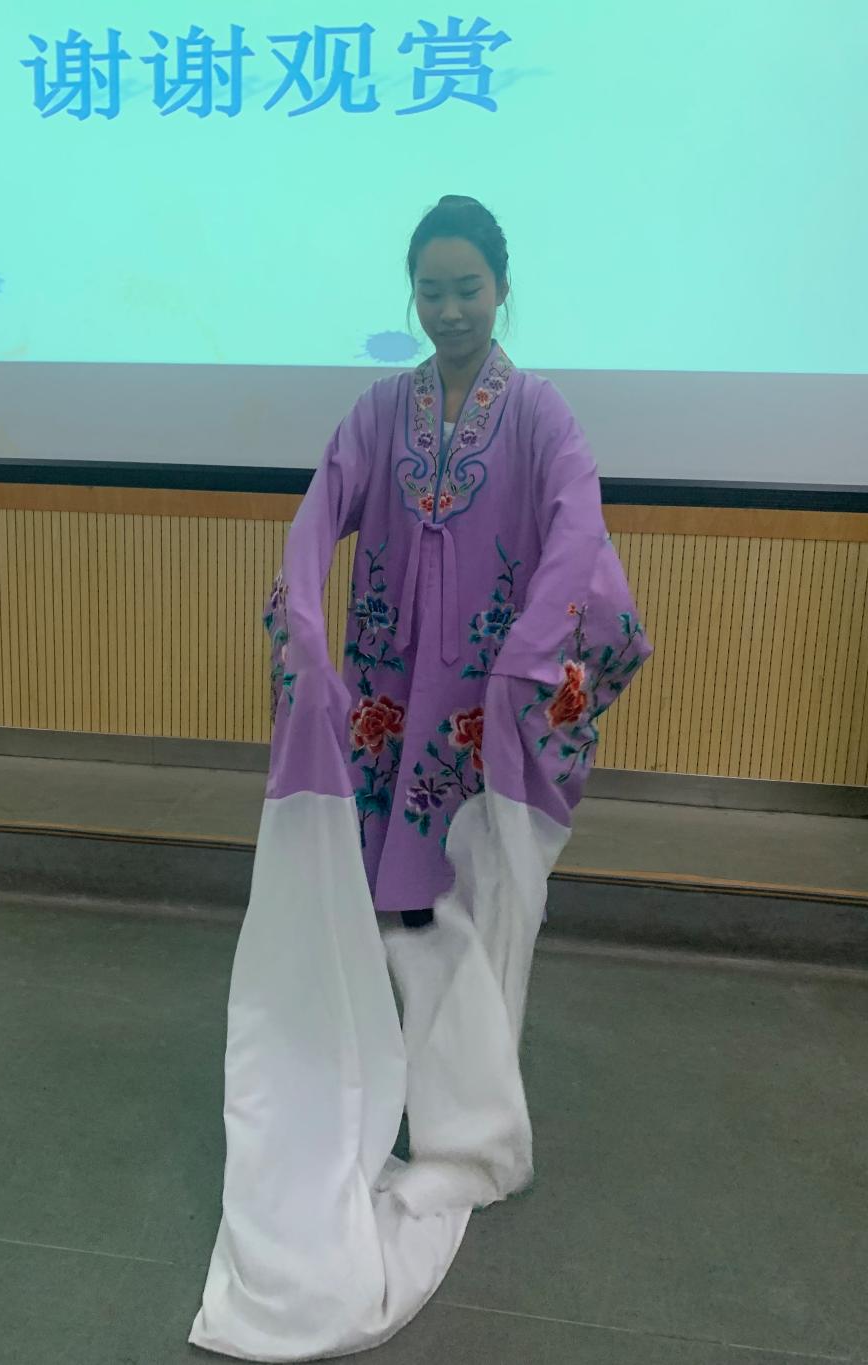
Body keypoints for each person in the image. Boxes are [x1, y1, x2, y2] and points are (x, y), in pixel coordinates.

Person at [190, 197, 652, 1362]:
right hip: (395, 686)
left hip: (488, 695)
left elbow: (577, 528)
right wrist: (305, 628)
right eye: (432, 290)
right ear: (414, 293)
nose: (450, 309)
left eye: (468, 288)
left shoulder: (538, 414)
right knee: (397, 900)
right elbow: (319, 517)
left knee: (479, 900)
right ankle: (406, 1077)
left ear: (502, 287)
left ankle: (470, 1108)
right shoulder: (377, 412)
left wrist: (531, 653)